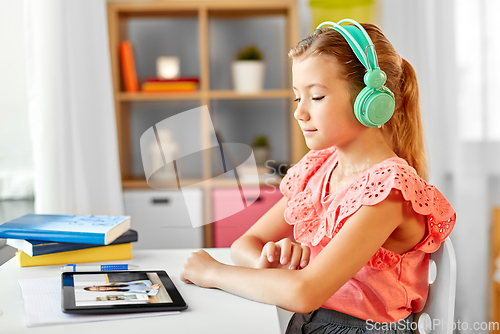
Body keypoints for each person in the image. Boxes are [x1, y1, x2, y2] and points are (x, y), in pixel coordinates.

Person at [181, 19, 455, 333]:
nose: (300, 112)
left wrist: (212, 274)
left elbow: (304, 292)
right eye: (299, 97)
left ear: (370, 102)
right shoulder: (320, 166)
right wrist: (269, 264)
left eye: (317, 97)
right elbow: (246, 243)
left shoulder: (389, 191)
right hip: (310, 323)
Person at [84, 280, 161, 296]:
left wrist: (150, 286)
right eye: (99, 290)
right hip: (154, 290)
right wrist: (152, 290)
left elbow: (144, 280)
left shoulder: (120, 284)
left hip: (152, 285)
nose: (102, 288)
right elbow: (143, 294)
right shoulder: (121, 291)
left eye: (98, 287)